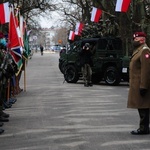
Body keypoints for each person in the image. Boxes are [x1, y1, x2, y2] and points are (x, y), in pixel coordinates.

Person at [127, 32, 150, 135]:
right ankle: (144, 127)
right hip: (137, 83)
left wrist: (144, 86)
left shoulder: (144, 50)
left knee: (143, 106)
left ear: (142, 40)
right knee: (141, 106)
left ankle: (143, 128)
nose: (134, 41)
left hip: (141, 84)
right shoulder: (139, 50)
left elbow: (146, 70)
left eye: (136, 39)